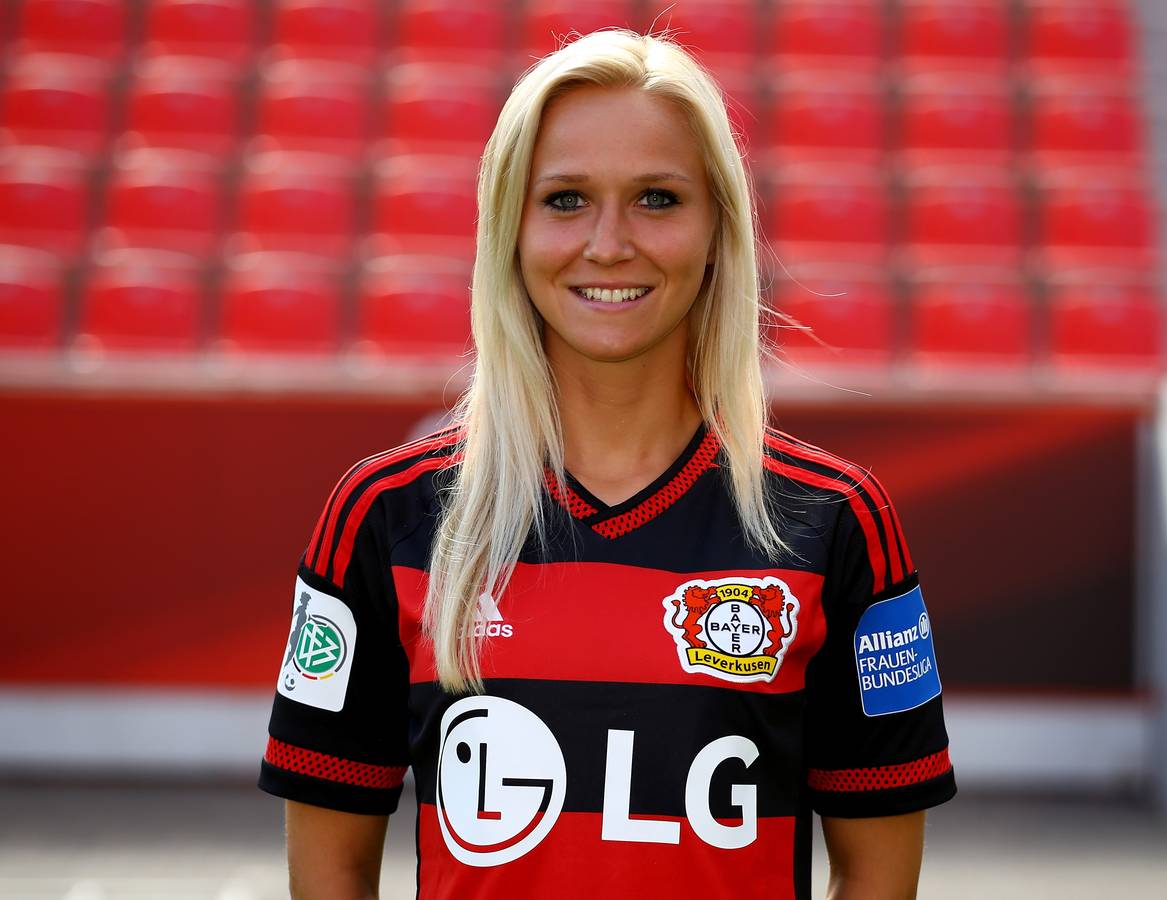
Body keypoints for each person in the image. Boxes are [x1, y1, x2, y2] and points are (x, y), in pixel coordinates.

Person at [259, 28, 955, 900]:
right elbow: (331, 873)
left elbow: (880, 878)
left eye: (658, 198)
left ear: (718, 229)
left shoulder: (838, 519)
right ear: (509, 228)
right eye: (565, 199)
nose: (610, 243)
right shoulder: (384, 514)